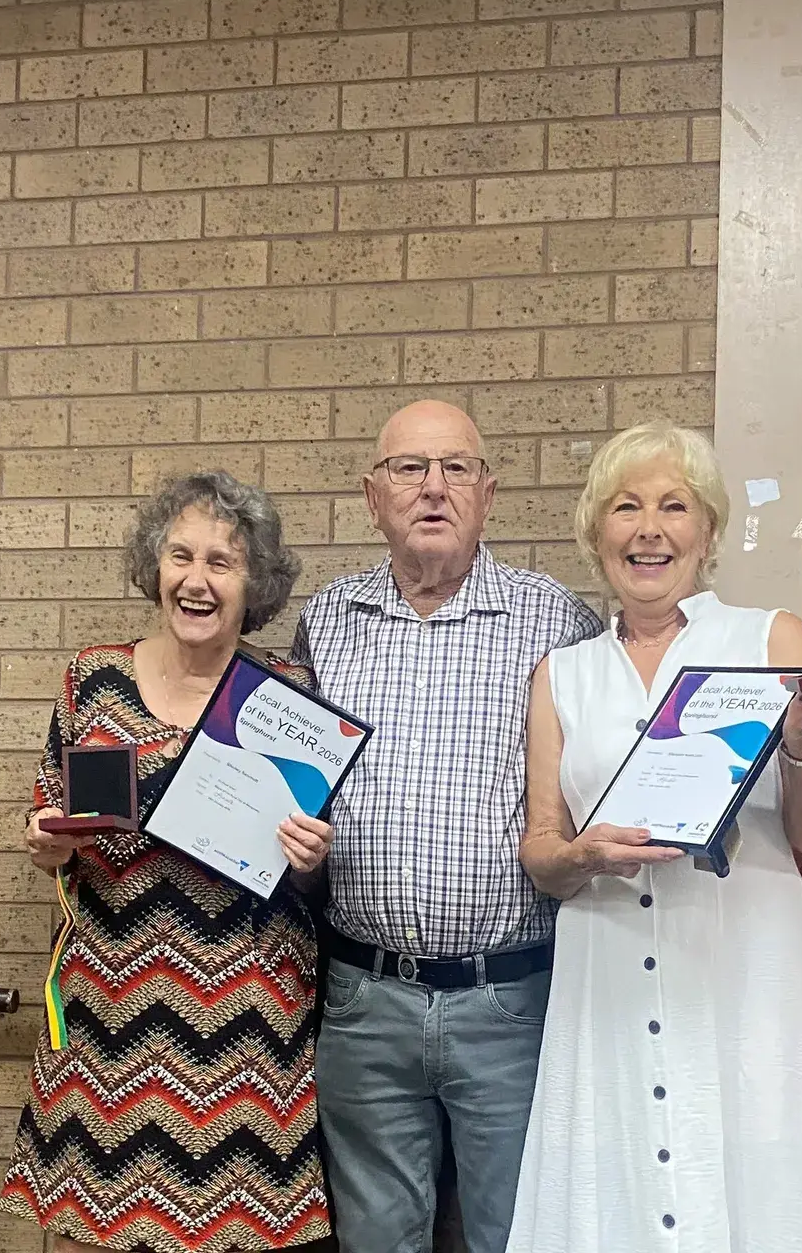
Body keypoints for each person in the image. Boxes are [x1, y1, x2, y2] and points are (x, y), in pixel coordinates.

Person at [509, 423, 802, 1253]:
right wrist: (581, 856)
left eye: (674, 507)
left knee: (755, 1198)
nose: (649, 529)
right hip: (607, 982)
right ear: (595, 533)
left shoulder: (770, 639)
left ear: (709, 532)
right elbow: (541, 846)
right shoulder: (563, 675)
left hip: (743, 980)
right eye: (626, 507)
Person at [291, 400, 602, 1253]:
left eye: (456, 467)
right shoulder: (327, 621)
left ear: (487, 494)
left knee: (517, 1235)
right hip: (364, 1001)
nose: (433, 488)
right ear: (373, 497)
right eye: (409, 468)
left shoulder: (557, 622)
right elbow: (295, 784)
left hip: (511, 1001)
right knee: (376, 1240)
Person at [1, 472, 336, 1253]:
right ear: (155, 565)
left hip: (246, 1023)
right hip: (104, 1015)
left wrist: (311, 859)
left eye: (223, 561)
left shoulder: (284, 696)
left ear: (255, 583)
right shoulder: (94, 679)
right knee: (91, 1226)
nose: (197, 579)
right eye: (181, 555)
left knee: (236, 1231)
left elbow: (311, 872)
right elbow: (50, 813)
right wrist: (45, 841)